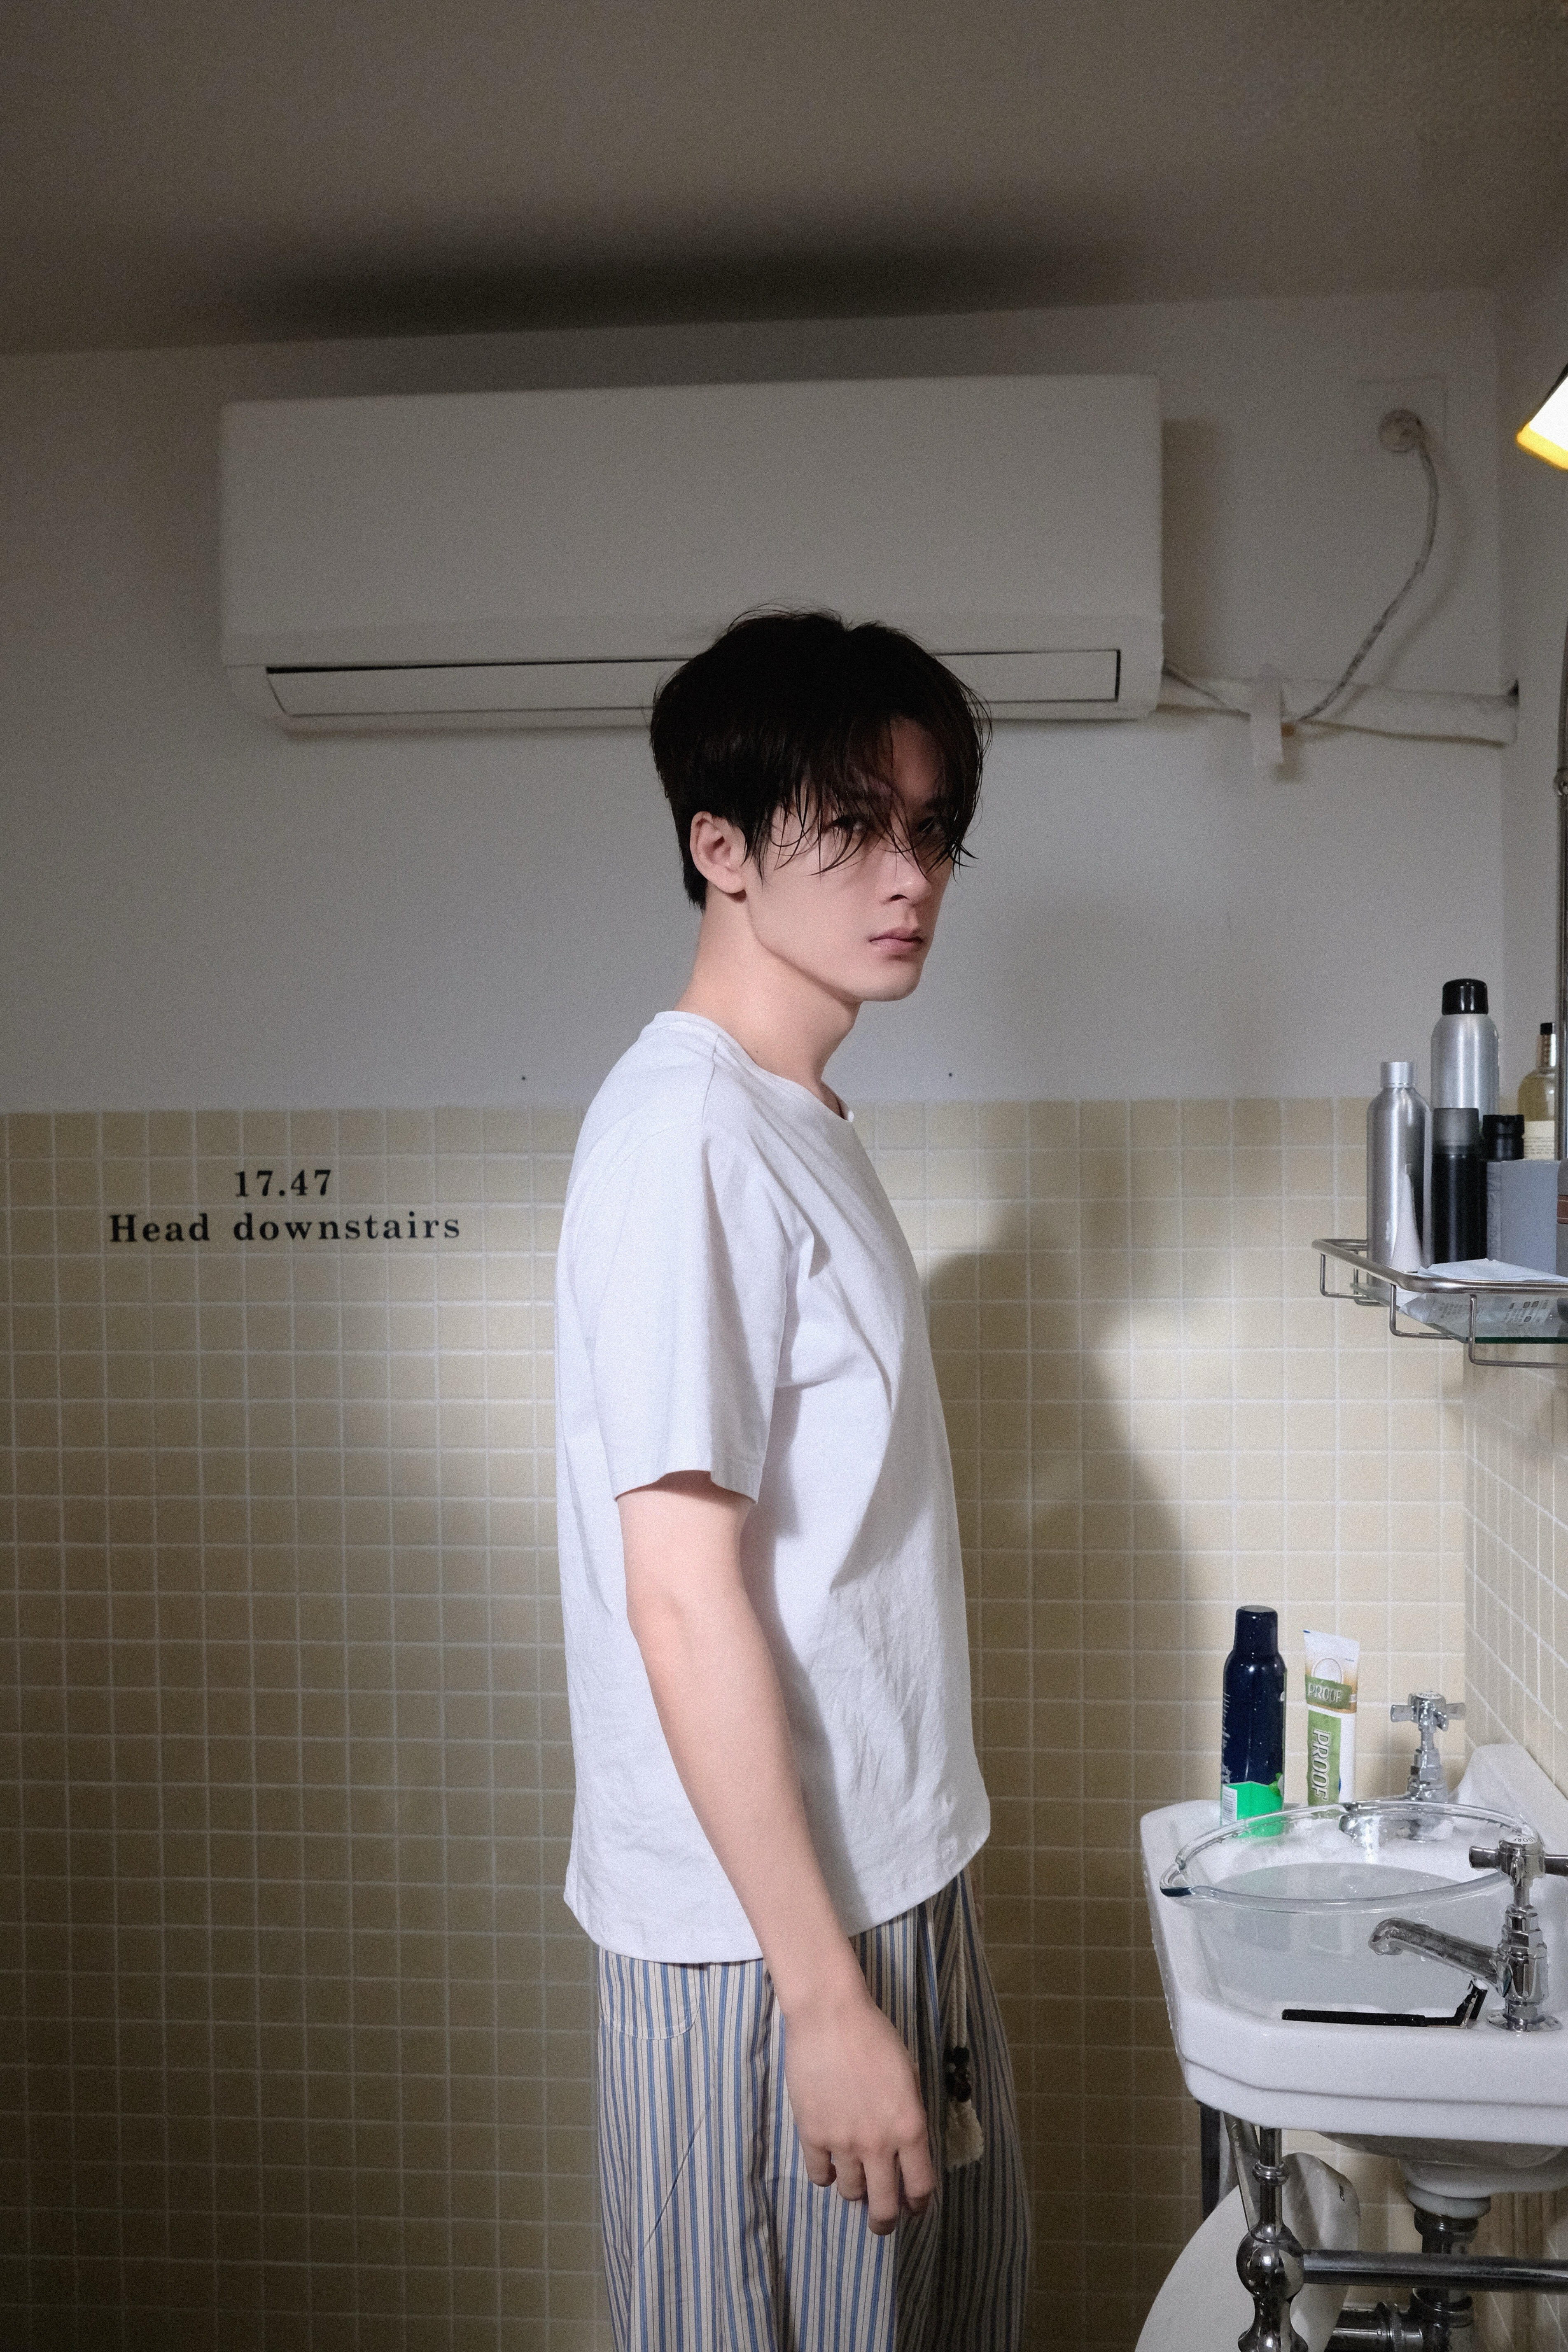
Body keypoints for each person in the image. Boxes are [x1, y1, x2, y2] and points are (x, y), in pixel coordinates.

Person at [553, 609, 1029, 2350]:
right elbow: (679, 1601)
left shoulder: (788, 1115)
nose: (910, 874)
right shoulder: (687, 1134)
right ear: (722, 846)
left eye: (931, 828)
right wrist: (823, 1999)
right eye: (854, 825)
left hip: (877, 1879)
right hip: (764, 1940)